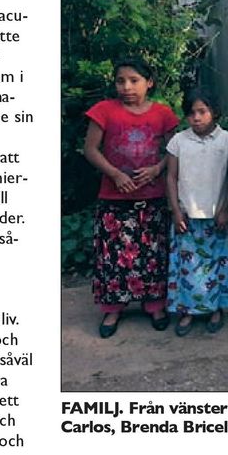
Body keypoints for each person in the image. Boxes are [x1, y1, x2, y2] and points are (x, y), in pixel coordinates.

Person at [83, 57, 178, 338]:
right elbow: (90, 149)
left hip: (153, 196)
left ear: (149, 83)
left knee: (153, 253)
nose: (126, 87)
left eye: (134, 80)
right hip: (114, 197)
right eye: (120, 81)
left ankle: (155, 305)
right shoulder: (104, 111)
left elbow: (174, 150)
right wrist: (115, 174)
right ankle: (113, 308)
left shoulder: (163, 114)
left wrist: (157, 169)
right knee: (114, 256)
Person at [166, 88, 228, 336]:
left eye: (202, 111)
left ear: (214, 112)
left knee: (216, 263)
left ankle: (215, 309)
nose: (197, 117)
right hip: (187, 215)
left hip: (217, 215)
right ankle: (186, 311)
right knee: (186, 265)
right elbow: (171, 177)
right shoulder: (179, 141)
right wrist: (175, 210)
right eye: (191, 112)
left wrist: (226, 208)